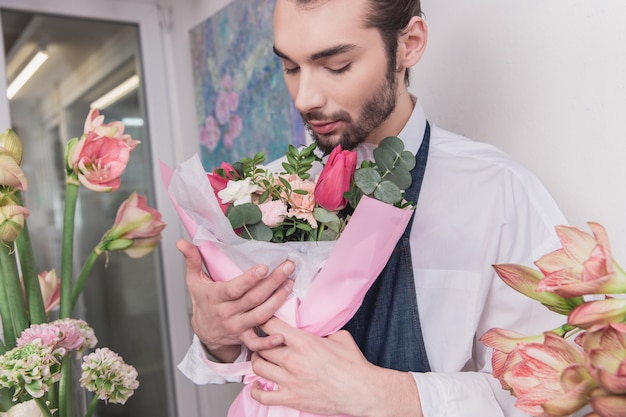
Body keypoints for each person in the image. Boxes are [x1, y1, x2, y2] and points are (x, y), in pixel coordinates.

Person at [177, 0, 568, 416]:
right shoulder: (265, 193)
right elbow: (246, 365)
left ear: (409, 45)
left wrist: (389, 396)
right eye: (291, 68)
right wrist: (216, 337)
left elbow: (554, 389)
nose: (305, 98)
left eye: (337, 65)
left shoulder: (498, 191)